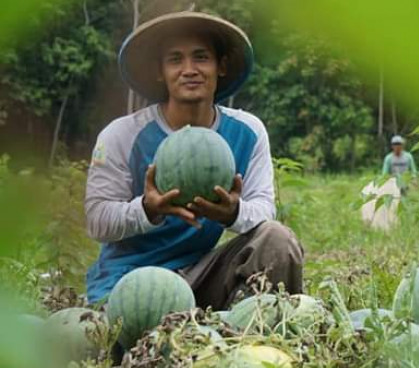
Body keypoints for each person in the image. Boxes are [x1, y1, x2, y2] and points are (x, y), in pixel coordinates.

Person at [84, 12, 304, 310]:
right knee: (134, 335)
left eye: (201, 57)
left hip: (200, 275)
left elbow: (264, 208)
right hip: (128, 284)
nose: (189, 70)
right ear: (161, 71)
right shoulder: (123, 135)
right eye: (175, 60)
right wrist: (147, 209)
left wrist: (231, 213)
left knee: (278, 239)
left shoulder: (248, 132)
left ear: (221, 66)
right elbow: (97, 220)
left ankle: (249, 337)